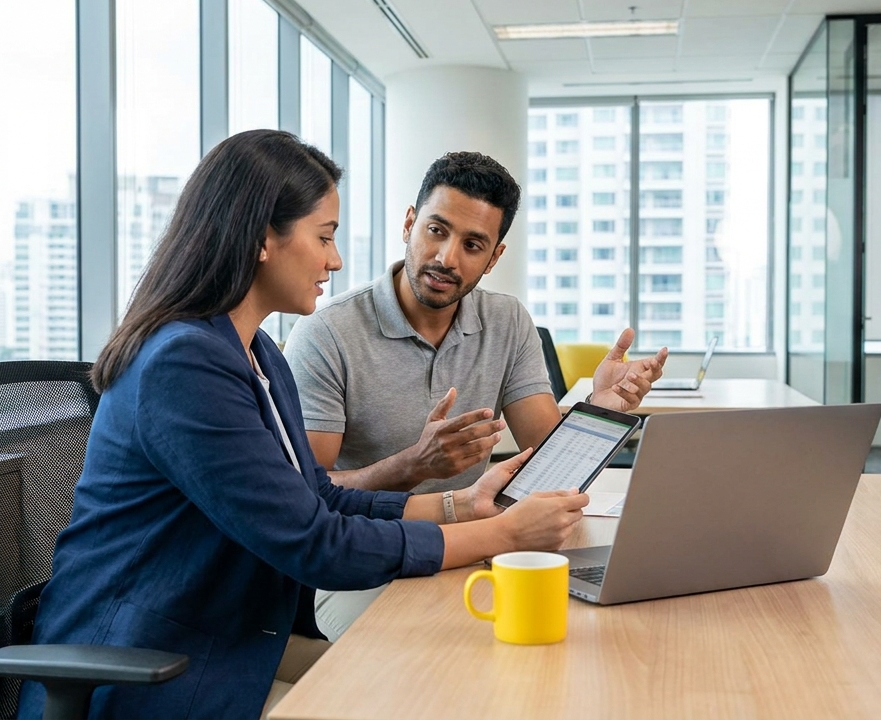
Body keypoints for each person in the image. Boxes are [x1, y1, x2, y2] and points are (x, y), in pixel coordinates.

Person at [16, 131, 588, 720]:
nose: (334, 260)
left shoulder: (257, 353)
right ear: (264, 238)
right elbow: (316, 545)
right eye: (324, 237)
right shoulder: (182, 364)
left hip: (227, 638)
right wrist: (506, 536)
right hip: (148, 667)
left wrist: (463, 507)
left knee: (444, 683)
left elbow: (315, 498)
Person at [284, 151, 668, 638]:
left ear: (494, 257)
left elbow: (546, 461)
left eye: (473, 244)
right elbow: (311, 499)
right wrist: (414, 465)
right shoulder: (327, 334)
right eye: (436, 230)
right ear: (409, 223)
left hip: (477, 542)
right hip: (366, 559)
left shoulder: (507, 322)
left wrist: (600, 409)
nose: (447, 258)